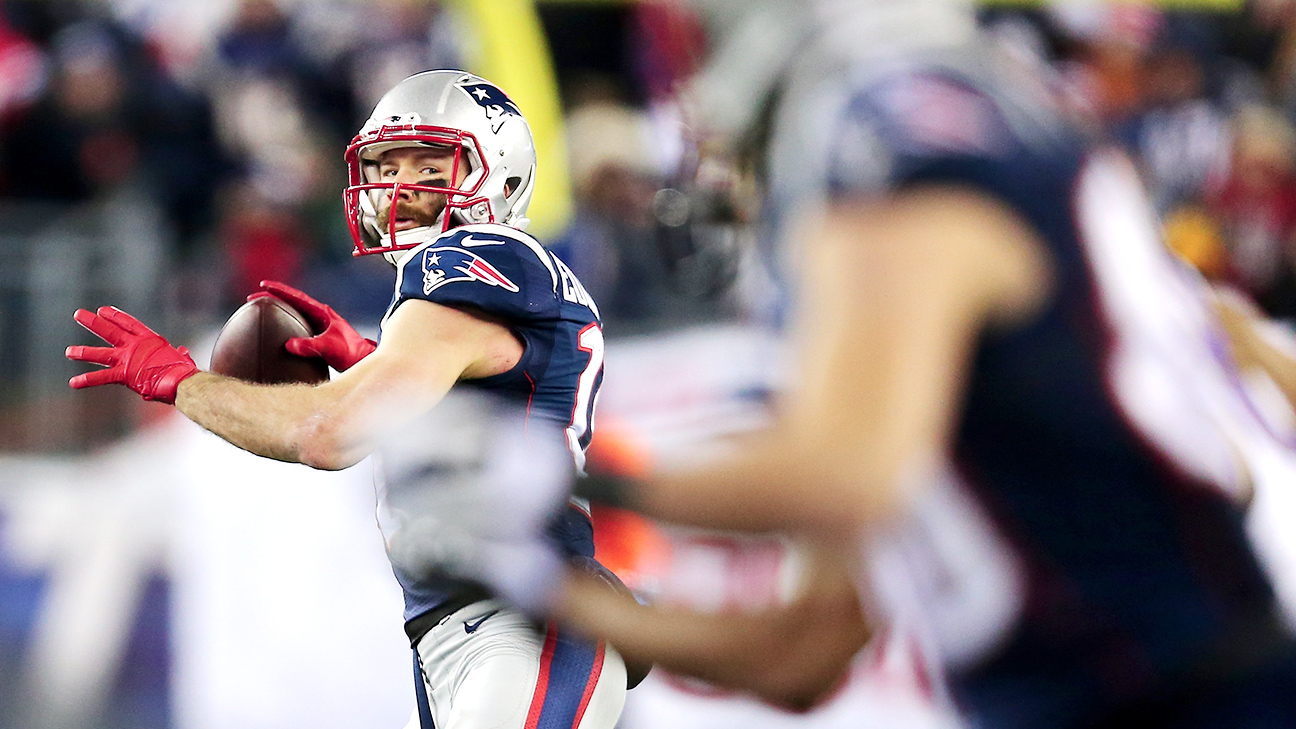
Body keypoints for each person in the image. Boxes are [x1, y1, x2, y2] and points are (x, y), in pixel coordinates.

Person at [416, 3, 1296, 728]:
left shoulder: (892, 131)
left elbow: (843, 473)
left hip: (1192, 692)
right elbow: (801, 651)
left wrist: (565, 473)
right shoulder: (953, 118)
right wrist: (536, 579)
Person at [65, 70, 629, 729]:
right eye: (387, 166)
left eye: (430, 163)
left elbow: (327, 433)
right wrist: (376, 362)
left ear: (500, 177)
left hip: (522, 618)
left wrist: (183, 384)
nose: (402, 188)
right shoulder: (493, 283)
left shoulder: (469, 258)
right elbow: (485, 414)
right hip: (475, 626)